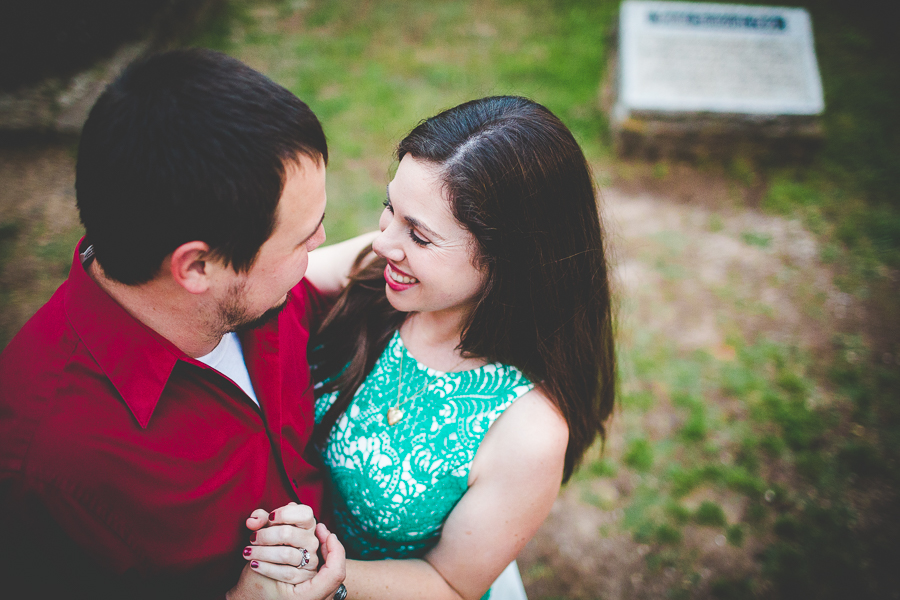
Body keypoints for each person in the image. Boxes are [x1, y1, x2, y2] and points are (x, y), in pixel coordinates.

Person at [0, 49, 345, 600]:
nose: (321, 244)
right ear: (197, 267)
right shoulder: (41, 471)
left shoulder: (256, 294)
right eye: (303, 236)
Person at [245, 96, 616, 599]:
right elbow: (260, 287)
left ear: (508, 259)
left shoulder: (528, 431)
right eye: (388, 208)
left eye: (419, 235)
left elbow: (450, 583)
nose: (381, 243)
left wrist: (328, 575)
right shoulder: (380, 269)